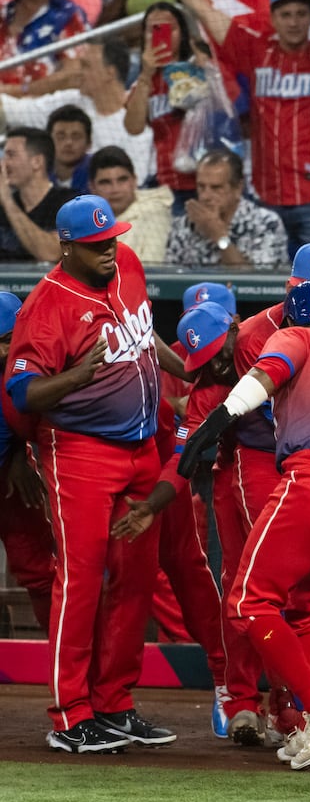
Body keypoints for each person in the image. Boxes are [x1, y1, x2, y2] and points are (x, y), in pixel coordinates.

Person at [166, 281, 310, 770]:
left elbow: (267, 374)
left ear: (295, 316)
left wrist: (219, 418)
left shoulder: (300, 337)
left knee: (249, 600)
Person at [4, 193, 175, 753]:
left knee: (135, 581)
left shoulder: (126, 264)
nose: (109, 250)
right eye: (96, 244)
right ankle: (69, 714)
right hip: (80, 453)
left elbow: (144, 337)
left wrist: (188, 368)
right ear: (67, 245)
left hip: (140, 449)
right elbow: (24, 392)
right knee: (80, 580)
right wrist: (77, 377)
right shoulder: (46, 306)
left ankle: (115, 703)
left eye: (112, 238)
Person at [149, 0, 310, 245]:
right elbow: (202, 8)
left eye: (301, 14)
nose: (294, 22)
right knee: (268, 288)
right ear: (273, 18)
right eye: (286, 14)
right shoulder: (255, 50)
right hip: (266, 195)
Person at [1, 37, 155, 183]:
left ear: (110, 73)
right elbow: (15, 110)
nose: (78, 72)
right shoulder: (70, 100)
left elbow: (136, 184)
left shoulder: (136, 125)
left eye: (86, 66)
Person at [0, 291, 55, 635]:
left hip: (9, 476)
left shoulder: (35, 362)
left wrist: (19, 453)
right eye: (4, 341)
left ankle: (64, 657)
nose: (11, 348)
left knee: (37, 568)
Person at [123, 1, 200, 200]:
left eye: (169, 28)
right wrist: (146, 74)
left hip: (207, 179)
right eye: (153, 30)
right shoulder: (144, 83)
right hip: (169, 183)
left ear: (182, 33)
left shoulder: (199, 68)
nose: (161, 35)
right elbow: (133, 126)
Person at [164, 149, 288, 268]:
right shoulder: (182, 225)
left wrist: (219, 236)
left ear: (238, 188)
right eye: (201, 187)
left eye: (216, 188)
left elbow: (257, 284)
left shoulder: (265, 223)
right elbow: (171, 280)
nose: (205, 196)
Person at [0, 127, 75, 263]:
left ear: (37, 162)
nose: (3, 164)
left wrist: (7, 199)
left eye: (11, 155)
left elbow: (50, 253)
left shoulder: (69, 203)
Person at [88, 145, 173, 265]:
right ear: (92, 187)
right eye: (105, 182)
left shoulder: (154, 212)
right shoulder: (86, 219)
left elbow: (153, 271)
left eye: (122, 180)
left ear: (134, 181)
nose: (115, 189)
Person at [46, 105, 92, 192]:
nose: (68, 143)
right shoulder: (37, 174)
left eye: (76, 137)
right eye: (61, 137)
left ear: (89, 143)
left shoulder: (100, 173)